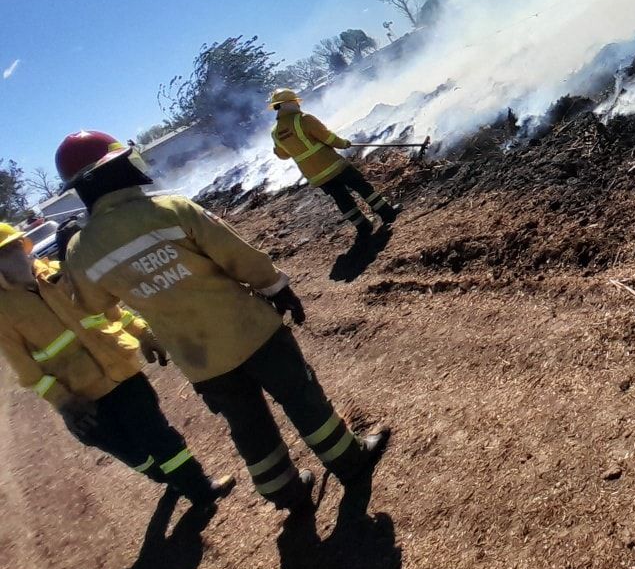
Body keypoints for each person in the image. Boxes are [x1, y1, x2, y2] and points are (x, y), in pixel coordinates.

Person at [55, 130, 390, 518]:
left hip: (200, 361)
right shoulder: (170, 208)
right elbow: (237, 256)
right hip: (252, 332)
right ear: (115, 171)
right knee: (300, 395)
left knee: (247, 424)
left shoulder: (82, 251)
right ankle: (348, 460)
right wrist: (277, 287)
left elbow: (93, 307)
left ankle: (283, 491)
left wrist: (140, 329)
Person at [0, 222, 234, 506]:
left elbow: (105, 310)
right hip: (84, 396)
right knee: (133, 453)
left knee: (156, 434)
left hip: (123, 371)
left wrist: (142, 332)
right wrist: (63, 402)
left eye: (15, 249)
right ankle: (167, 478)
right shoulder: (4, 313)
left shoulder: (59, 274)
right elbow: (26, 370)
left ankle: (200, 488)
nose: (16, 257)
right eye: (5, 254)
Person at [266, 88, 402, 237]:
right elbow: (327, 137)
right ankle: (387, 214)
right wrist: (343, 144)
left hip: (316, 176)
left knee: (342, 199)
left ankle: (363, 228)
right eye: (295, 102)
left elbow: (283, 155)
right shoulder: (304, 119)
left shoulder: (275, 132)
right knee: (362, 187)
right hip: (334, 166)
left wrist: (278, 150)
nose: (298, 105)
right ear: (290, 103)